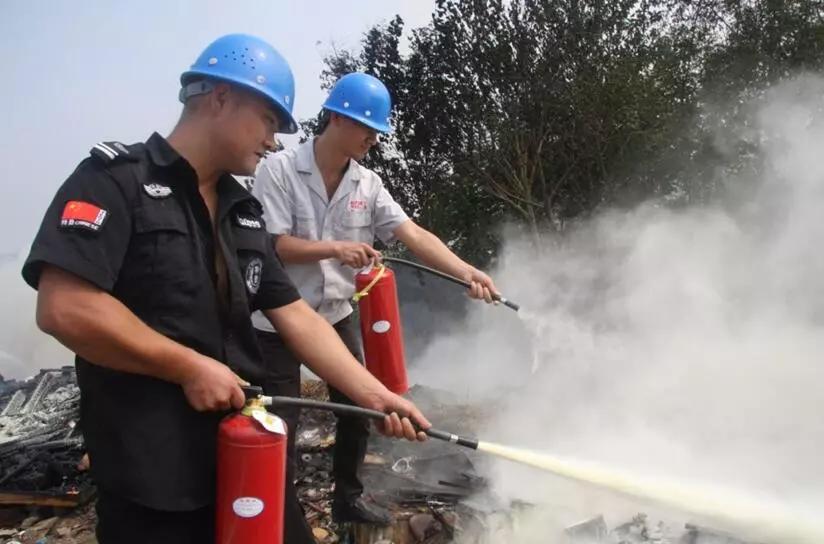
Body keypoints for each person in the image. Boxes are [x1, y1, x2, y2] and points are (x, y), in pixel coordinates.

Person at [21, 36, 428, 544]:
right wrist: (186, 367)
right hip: (152, 478)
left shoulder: (243, 212)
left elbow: (296, 314)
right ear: (220, 98)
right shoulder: (115, 183)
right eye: (268, 121)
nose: (274, 141)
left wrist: (375, 395)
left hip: (244, 454)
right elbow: (65, 307)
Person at [251, 72, 500, 528]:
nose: (373, 138)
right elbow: (272, 245)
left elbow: (414, 234)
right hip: (278, 318)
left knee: (360, 410)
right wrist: (334, 249)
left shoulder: (367, 184)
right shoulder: (280, 170)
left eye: (377, 131)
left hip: (335, 314)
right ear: (336, 118)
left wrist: (465, 272)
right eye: (367, 127)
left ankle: (347, 498)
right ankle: (284, 520)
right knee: (280, 421)